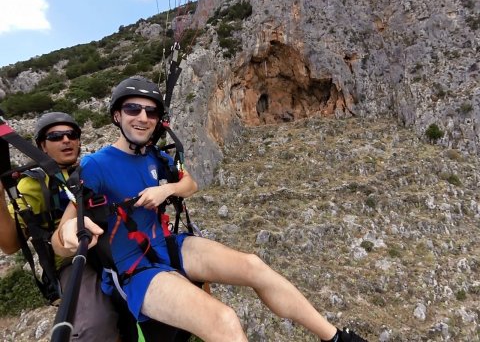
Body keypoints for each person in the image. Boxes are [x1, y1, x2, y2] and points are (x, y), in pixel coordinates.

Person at [52, 76, 368, 342]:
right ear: (117, 116)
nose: (142, 117)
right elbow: (63, 233)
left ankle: (337, 338)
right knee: (224, 320)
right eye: (132, 108)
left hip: (167, 245)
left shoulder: (157, 158)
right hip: (134, 267)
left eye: (150, 112)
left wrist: (168, 189)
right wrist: (68, 232)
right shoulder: (95, 165)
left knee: (253, 266)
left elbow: (190, 184)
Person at [0, 112, 120, 341]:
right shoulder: (34, 183)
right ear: (42, 147)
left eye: (71, 134)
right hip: (71, 260)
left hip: (112, 243)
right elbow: (11, 245)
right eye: (55, 136)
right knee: (95, 326)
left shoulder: (92, 168)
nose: (66, 140)